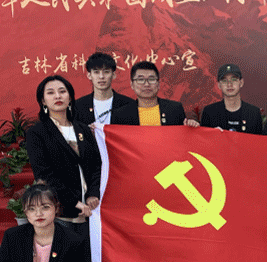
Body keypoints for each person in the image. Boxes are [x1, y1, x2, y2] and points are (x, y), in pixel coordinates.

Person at [25, 75, 101, 235]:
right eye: (50, 93)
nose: (57, 96)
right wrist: (74, 202)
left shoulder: (83, 129)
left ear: (70, 97)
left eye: (62, 91)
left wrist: (93, 194)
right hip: (61, 213)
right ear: (43, 101)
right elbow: (44, 174)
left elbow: (96, 164)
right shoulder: (37, 133)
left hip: (91, 211)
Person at [113, 60, 199, 127]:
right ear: (132, 85)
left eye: (151, 79)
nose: (146, 84)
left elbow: (182, 138)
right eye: (140, 79)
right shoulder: (121, 114)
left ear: (158, 84)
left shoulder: (175, 109)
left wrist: (191, 127)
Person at [200, 63, 263, 133]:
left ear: (241, 82)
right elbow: (203, 139)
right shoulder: (209, 112)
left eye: (234, 79)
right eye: (224, 80)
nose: (229, 84)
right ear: (219, 85)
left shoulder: (254, 113)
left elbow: (259, 139)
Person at [75, 52, 134, 126]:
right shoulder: (79, 106)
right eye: (96, 72)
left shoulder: (128, 105)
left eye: (106, 72)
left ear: (113, 75)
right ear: (89, 75)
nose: (101, 76)